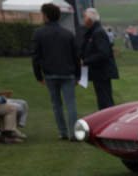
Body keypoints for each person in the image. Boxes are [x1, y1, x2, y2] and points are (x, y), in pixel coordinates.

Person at [31, 2, 80, 140]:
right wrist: (78, 74)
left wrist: (38, 75)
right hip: (67, 72)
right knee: (70, 103)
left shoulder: (39, 33)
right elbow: (75, 56)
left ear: (45, 16)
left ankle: (62, 132)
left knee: (56, 103)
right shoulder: (68, 34)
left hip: (50, 72)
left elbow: (36, 56)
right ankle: (74, 133)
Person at [80, 8, 118, 110]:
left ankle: (110, 121)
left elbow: (103, 53)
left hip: (102, 72)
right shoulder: (93, 32)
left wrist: (86, 61)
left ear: (90, 20)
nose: (83, 20)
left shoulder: (98, 33)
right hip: (98, 72)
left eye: (84, 17)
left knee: (106, 101)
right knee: (102, 100)